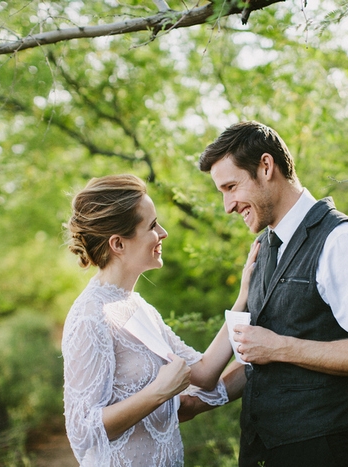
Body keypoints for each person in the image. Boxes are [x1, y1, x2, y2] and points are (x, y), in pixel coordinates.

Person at [184, 121, 348, 467]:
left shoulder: (341, 241)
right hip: (260, 451)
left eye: (231, 187)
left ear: (266, 166)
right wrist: (201, 402)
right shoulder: (263, 246)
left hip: (321, 452)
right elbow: (260, 358)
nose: (227, 205)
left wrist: (281, 347)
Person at [61, 174, 259, 467]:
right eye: (152, 226)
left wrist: (244, 298)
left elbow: (204, 374)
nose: (163, 232)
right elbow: (82, 431)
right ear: (118, 243)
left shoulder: (137, 307)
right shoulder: (90, 318)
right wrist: (159, 392)